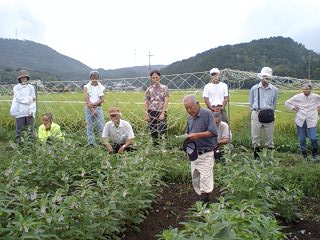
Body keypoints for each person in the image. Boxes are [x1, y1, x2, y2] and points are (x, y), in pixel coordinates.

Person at [183, 94, 218, 203]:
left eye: (191, 107)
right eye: (186, 108)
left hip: (206, 153)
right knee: (196, 178)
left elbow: (213, 132)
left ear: (197, 104)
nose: (189, 110)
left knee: (205, 180)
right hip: (194, 154)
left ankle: (205, 206)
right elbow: (188, 133)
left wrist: (197, 135)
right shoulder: (190, 118)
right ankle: (202, 202)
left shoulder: (207, 113)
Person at [285, 83, 320, 160]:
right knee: (302, 139)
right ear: (302, 89)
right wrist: (293, 107)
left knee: (314, 138)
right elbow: (287, 102)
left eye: (307, 89)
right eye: (304, 89)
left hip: (312, 120)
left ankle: (315, 156)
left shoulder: (316, 97)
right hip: (300, 120)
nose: (305, 91)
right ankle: (304, 156)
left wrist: (319, 107)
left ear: (310, 89)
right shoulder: (297, 97)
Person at [249, 67, 278, 159]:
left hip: (269, 114)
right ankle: (256, 156)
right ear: (261, 77)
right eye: (264, 76)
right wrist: (256, 110)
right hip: (256, 113)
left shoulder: (274, 89)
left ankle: (269, 156)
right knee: (255, 136)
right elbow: (251, 102)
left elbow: (274, 103)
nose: (265, 79)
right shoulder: (254, 88)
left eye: (267, 77)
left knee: (269, 136)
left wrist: (270, 112)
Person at [10, 70, 36, 144]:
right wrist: (30, 99)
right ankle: (19, 146)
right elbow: (19, 99)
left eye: (25, 77)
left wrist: (31, 111)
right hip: (19, 112)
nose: (24, 79)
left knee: (30, 130)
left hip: (29, 112)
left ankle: (30, 146)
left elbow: (34, 100)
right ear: (19, 79)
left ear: (27, 78)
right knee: (19, 130)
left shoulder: (31, 87)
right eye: (22, 77)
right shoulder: (16, 88)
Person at [144, 69, 169, 146]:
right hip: (151, 111)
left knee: (162, 130)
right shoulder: (149, 89)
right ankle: (155, 146)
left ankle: (164, 146)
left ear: (159, 77)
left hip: (161, 111)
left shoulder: (164, 88)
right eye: (153, 77)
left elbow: (166, 100)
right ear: (151, 78)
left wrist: (162, 113)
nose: (155, 79)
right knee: (153, 130)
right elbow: (146, 102)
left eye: (156, 77)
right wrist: (146, 113)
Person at [84, 70, 105, 146]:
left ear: (98, 78)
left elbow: (102, 99)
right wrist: (92, 109)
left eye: (96, 77)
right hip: (88, 109)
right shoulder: (86, 87)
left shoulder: (101, 87)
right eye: (92, 77)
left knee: (101, 126)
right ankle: (91, 143)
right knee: (89, 126)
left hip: (98, 108)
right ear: (90, 78)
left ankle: (103, 142)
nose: (94, 78)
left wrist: (95, 104)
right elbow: (86, 100)